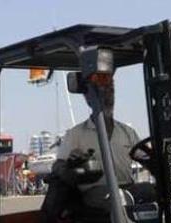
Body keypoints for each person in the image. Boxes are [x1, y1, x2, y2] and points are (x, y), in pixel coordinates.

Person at [53, 81, 141, 211]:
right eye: (102, 92)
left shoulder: (127, 132)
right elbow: (58, 165)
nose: (108, 97)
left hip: (127, 187)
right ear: (88, 99)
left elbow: (146, 156)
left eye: (111, 91)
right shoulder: (75, 134)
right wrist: (71, 166)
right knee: (118, 199)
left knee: (153, 192)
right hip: (95, 191)